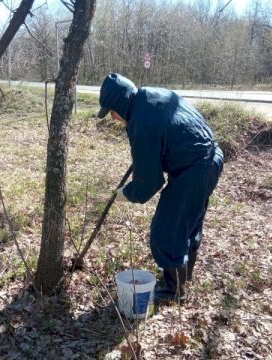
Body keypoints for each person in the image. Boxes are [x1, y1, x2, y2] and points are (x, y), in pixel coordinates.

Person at [97, 73, 224, 303]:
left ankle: (174, 290)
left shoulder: (142, 122)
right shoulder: (149, 98)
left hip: (194, 168)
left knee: (167, 229)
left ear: (119, 105)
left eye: (112, 112)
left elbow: (149, 182)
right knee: (188, 222)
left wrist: (127, 193)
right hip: (211, 159)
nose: (113, 118)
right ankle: (183, 277)